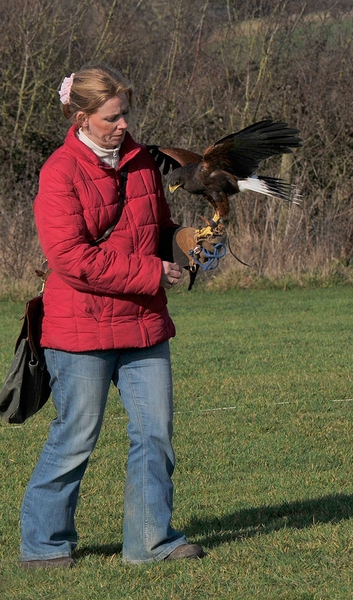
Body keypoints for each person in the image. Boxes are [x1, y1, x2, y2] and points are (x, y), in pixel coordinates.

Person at [19, 63, 205, 568]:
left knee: (156, 433)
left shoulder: (143, 161)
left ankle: (149, 541)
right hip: (80, 327)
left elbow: (159, 228)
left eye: (126, 114)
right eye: (112, 117)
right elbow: (72, 260)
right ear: (81, 117)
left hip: (143, 323)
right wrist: (151, 272)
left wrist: (189, 244)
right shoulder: (59, 171)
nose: (124, 125)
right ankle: (44, 545)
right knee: (76, 436)